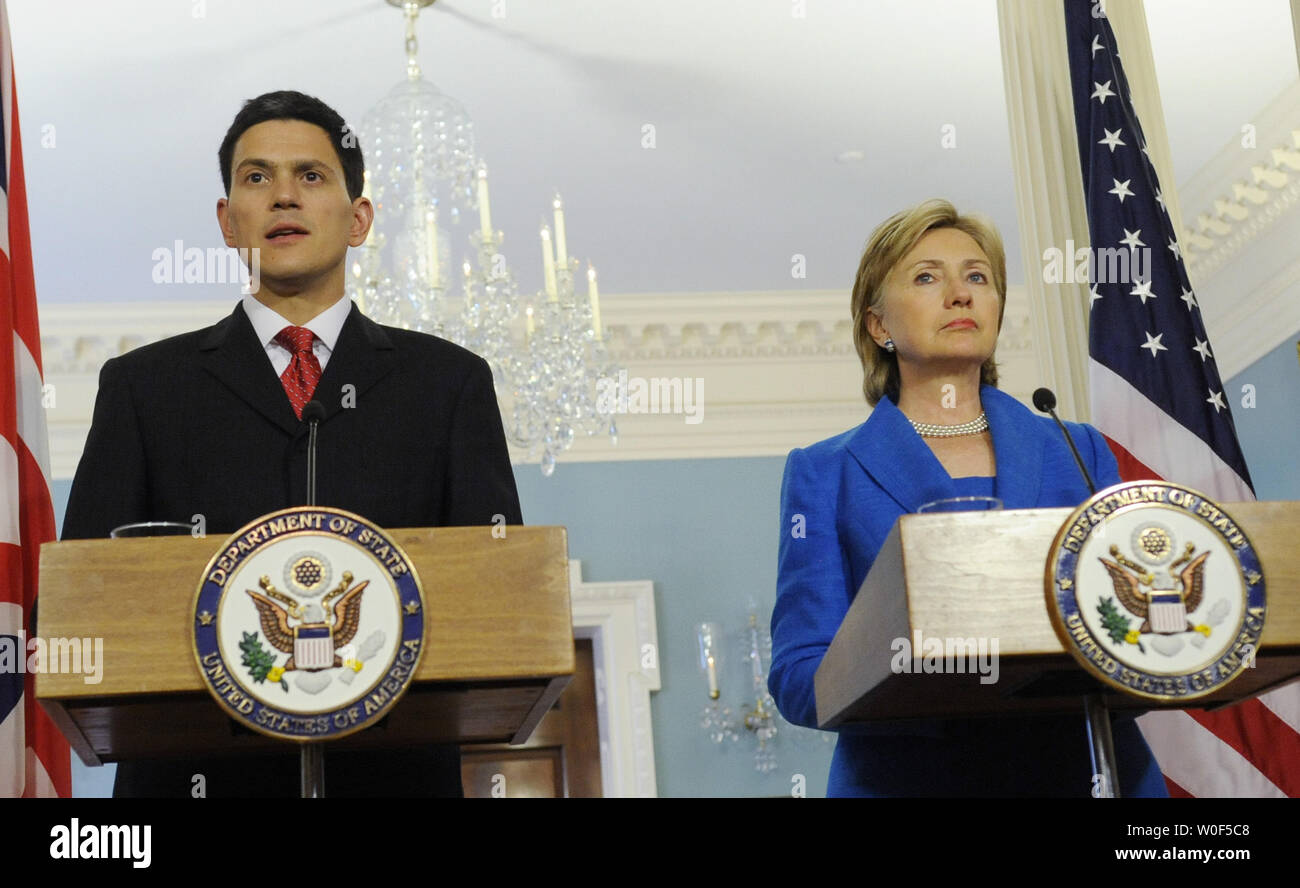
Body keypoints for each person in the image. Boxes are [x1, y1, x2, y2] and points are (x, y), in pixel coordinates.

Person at [61, 90, 522, 797]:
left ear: (359, 217)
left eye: (311, 176)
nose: (283, 196)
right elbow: (84, 603)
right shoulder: (143, 387)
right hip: (192, 778)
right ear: (227, 221)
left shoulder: (448, 384)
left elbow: (497, 599)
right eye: (256, 178)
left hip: (391, 779)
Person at [768, 199, 1166, 797]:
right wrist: (918, 675)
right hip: (909, 780)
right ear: (879, 326)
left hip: (1085, 769)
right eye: (927, 277)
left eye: (977, 276)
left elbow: (1131, 620)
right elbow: (800, 675)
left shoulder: (1076, 448)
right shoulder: (825, 472)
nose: (960, 294)